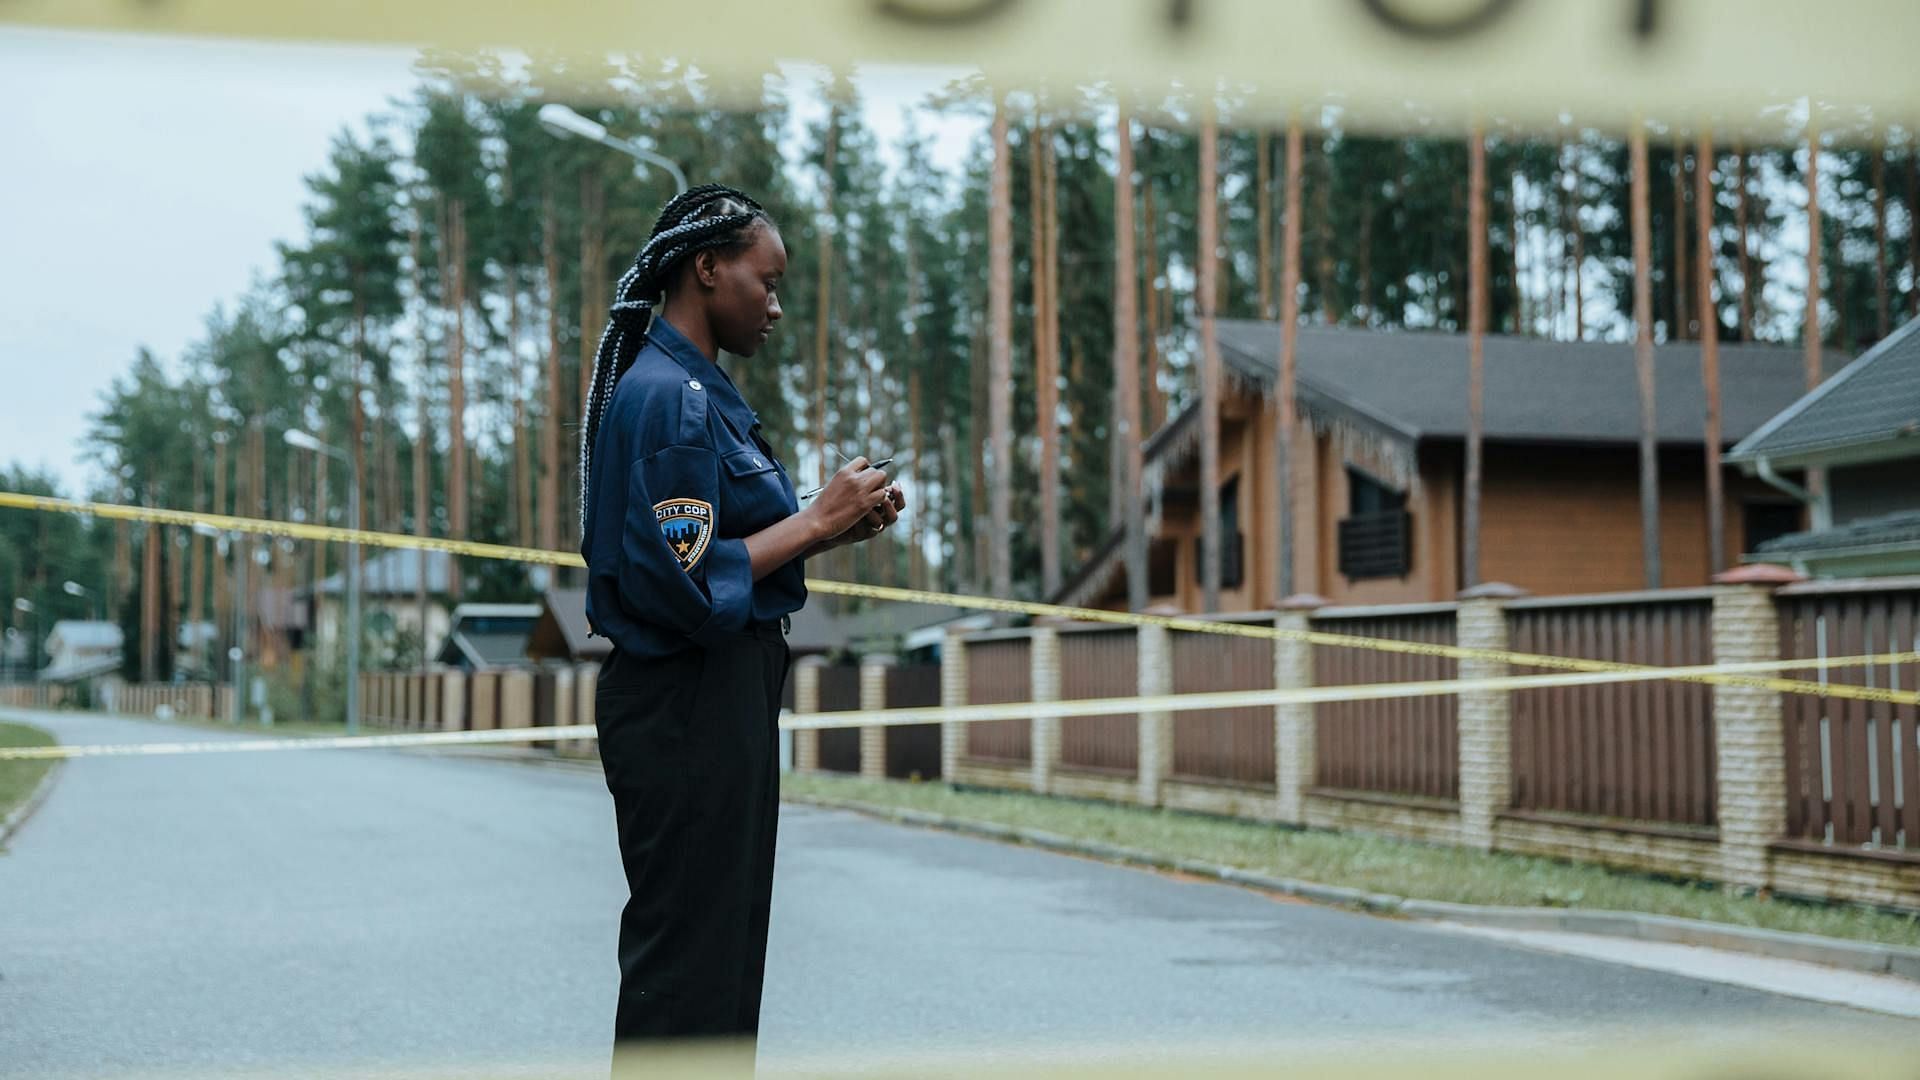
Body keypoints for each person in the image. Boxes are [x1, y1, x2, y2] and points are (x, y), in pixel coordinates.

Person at [577, 184, 905, 1055]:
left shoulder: (698, 390)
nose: (777, 304)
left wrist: (829, 528)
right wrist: (813, 521)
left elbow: (716, 553)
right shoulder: (669, 398)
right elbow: (679, 583)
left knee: (720, 962)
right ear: (707, 266)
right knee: (689, 969)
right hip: (688, 702)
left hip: (716, 696)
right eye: (766, 281)